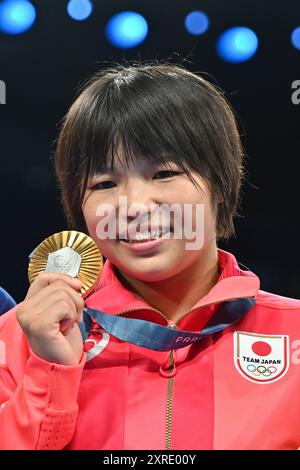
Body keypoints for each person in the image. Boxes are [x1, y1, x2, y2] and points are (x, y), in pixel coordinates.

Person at [1, 61, 300, 451]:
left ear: (221, 185)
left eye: (164, 173)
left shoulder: (293, 335)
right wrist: (51, 373)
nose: (134, 205)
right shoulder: (19, 337)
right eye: (105, 183)